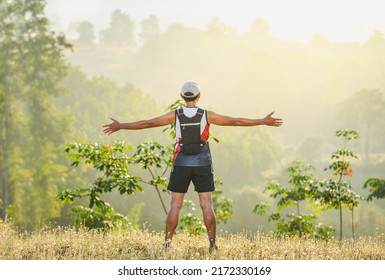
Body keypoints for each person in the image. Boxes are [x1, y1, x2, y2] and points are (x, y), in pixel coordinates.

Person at [103, 81, 283, 252]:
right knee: (206, 205)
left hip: (181, 163)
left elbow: (147, 123)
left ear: (181, 95)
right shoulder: (207, 115)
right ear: (199, 96)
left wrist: (121, 126)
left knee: (175, 205)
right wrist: (262, 121)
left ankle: (167, 244)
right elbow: (235, 121)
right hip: (203, 163)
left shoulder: (175, 115)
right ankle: (212, 245)